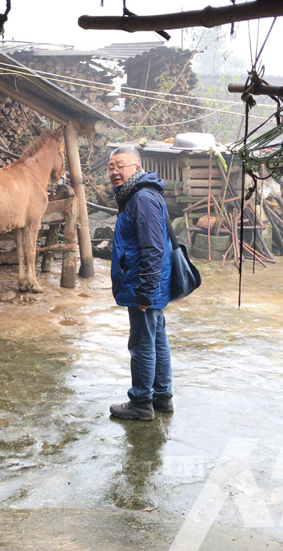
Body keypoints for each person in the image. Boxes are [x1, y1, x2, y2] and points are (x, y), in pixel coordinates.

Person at [108, 147, 174, 421]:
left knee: (142, 342)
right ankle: (162, 397)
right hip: (149, 281)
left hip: (145, 283)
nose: (114, 172)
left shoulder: (142, 198)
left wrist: (145, 292)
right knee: (156, 337)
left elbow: (153, 248)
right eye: (110, 167)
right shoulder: (137, 195)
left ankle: (141, 402)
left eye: (119, 166)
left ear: (136, 168)